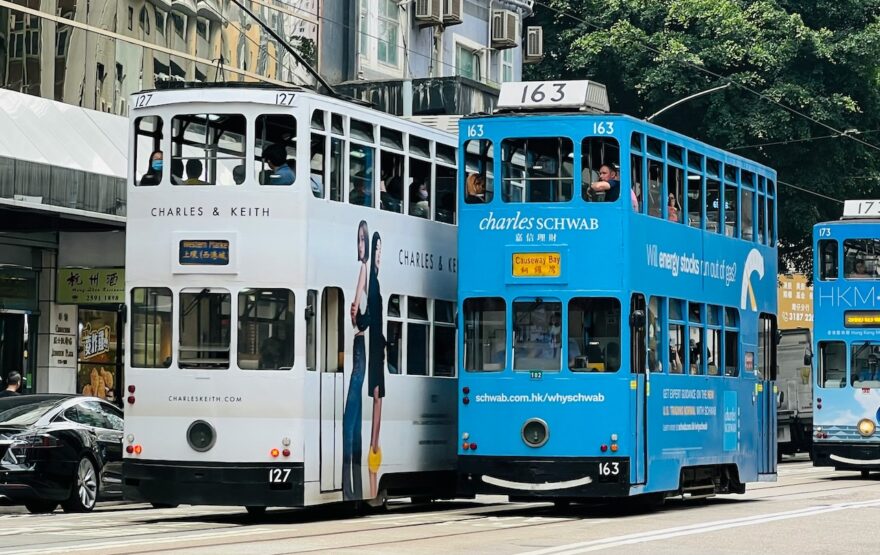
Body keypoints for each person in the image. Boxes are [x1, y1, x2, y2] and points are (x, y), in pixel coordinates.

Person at [343, 220, 369, 501]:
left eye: (363, 240)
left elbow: (358, 315)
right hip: (359, 347)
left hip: (360, 349)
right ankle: (354, 485)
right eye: (359, 240)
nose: (360, 245)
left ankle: (350, 484)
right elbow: (357, 313)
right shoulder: (362, 270)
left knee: (350, 416)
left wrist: (356, 314)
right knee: (354, 416)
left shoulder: (363, 270)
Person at [366, 231, 385, 499]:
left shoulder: (376, 281)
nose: (379, 255)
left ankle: (373, 462)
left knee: (378, 400)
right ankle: (372, 459)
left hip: (377, 349)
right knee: (377, 397)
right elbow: (366, 316)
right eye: (376, 250)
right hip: (373, 351)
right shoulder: (371, 282)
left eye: (380, 250)